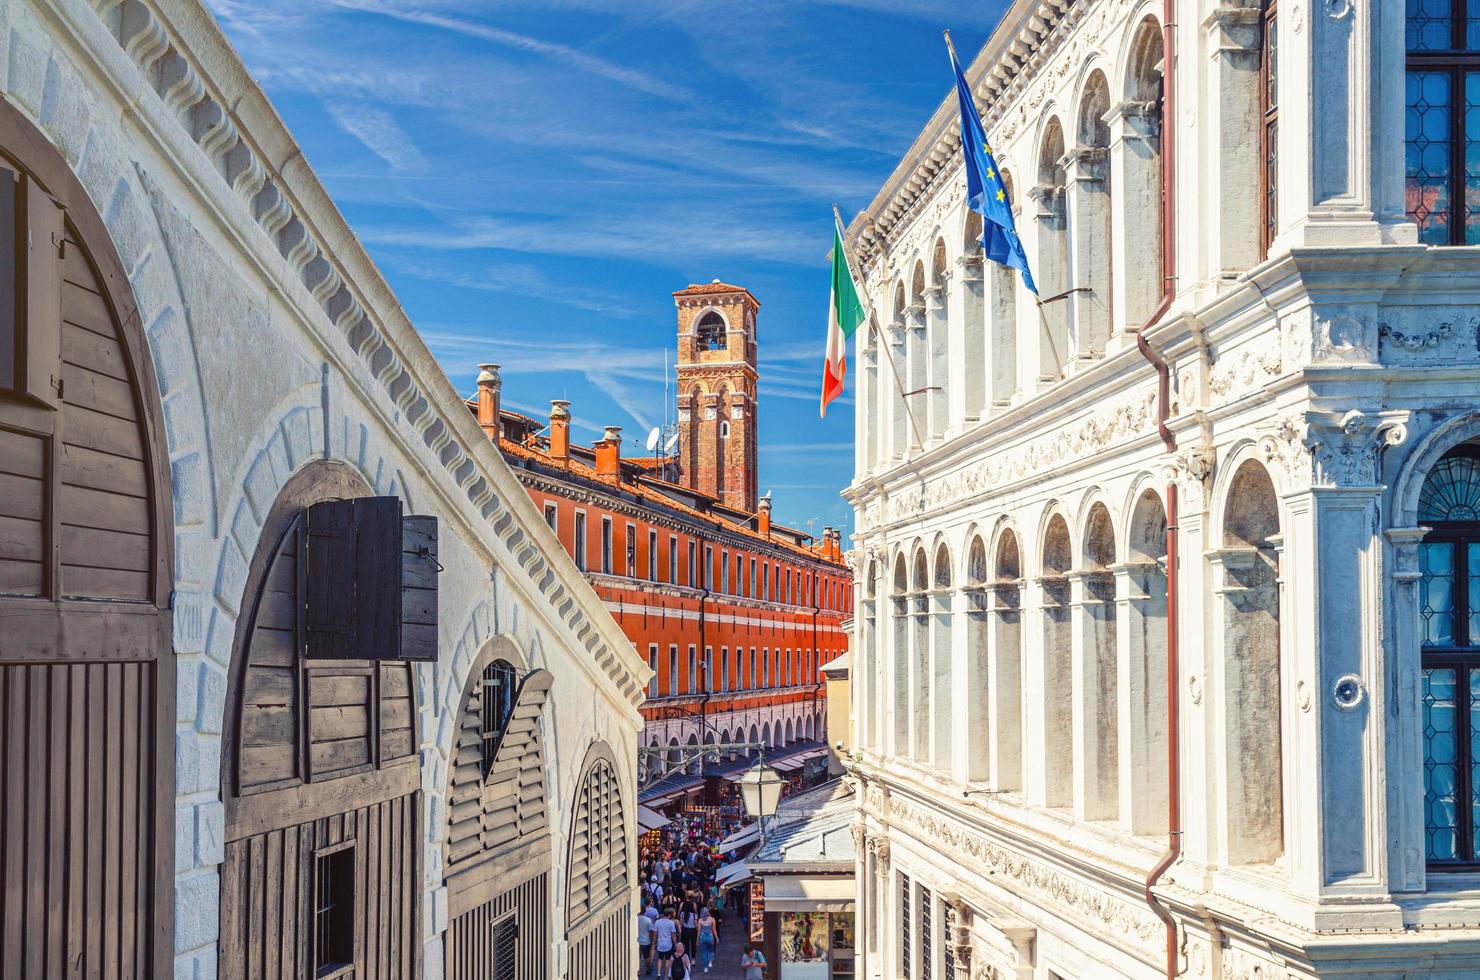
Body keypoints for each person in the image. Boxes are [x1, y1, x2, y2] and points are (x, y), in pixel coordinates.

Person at [653, 908, 679, 978]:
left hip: (660, 944)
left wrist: (654, 943)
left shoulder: (657, 922)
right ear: (669, 915)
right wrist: (676, 944)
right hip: (668, 944)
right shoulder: (671, 923)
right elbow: (673, 935)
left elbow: (655, 934)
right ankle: (666, 975)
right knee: (667, 959)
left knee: (660, 959)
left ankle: (658, 973)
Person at [696, 906, 719, 973]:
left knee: (704, 952)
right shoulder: (712, 919)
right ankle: (710, 962)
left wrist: (697, 939)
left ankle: (705, 967)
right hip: (710, 936)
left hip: (703, 937)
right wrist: (717, 938)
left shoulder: (700, 920)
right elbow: (714, 929)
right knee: (711, 950)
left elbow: (699, 931)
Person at [636, 906, 653, 976]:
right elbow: (650, 931)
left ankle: (638, 971)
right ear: (645, 912)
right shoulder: (648, 920)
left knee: (638, 957)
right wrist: (652, 940)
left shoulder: (636, 919)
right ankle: (648, 968)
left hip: (638, 941)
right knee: (647, 956)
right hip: (646, 941)